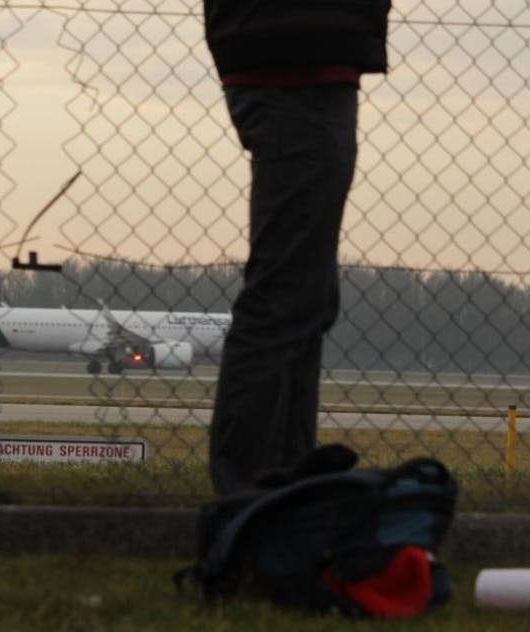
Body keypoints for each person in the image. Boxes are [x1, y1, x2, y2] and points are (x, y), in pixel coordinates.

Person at [204, 0, 392, 494]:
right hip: (295, 62)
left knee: (303, 298)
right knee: (286, 298)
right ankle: (249, 497)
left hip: (301, 57)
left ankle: (280, 489)